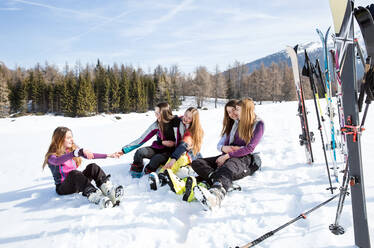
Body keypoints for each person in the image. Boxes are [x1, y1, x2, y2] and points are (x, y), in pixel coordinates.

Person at [192, 98, 264, 210]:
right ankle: (214, 178)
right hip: (231, 155)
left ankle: (216, 197)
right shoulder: (237, 122)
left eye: (238, 110)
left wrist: (228, 155)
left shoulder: (258, 124)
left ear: (245, 110)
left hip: (245, 158)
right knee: (197, 162)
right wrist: (225, 151)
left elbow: (249, 148)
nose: (236, 112)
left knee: (227, 168)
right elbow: (226, 143)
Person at [43, 127, 122, 208]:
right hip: (63, 188)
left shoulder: (70, 150)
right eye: (68, 138)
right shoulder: (51, 155)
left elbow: (90, 155)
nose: (72, 140)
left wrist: (109, 155)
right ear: (59, 139)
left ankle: (108, 190)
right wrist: (74, 153)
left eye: (72, 137)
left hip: (77, 183)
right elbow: (57, 161)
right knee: (74, 173)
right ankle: (94, 196)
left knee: (93, 167)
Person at [148, 107, 204, 201]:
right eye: (185, 115)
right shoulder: (180, 121)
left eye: (189, 118)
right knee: (174, 160)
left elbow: (183, 144)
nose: (186, 118)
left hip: (189, 155)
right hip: (179, 151)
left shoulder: (192, 131)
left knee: (178, 160)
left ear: (194, 121)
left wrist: (174, 158)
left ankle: (162, 176)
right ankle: (163, 175)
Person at [118, 102, 180, 178]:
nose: (156, 115)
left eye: (158, 113)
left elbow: (184, 139)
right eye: (155, 113)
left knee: (155, 159)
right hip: (158, 148)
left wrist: (173, 144)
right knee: (139, 153)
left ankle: (148, 174)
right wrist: (124, 150)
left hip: (170, 153)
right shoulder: (156, 125)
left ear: (165, 113)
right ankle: (135, 176)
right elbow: (142, 139)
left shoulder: (176, 122)